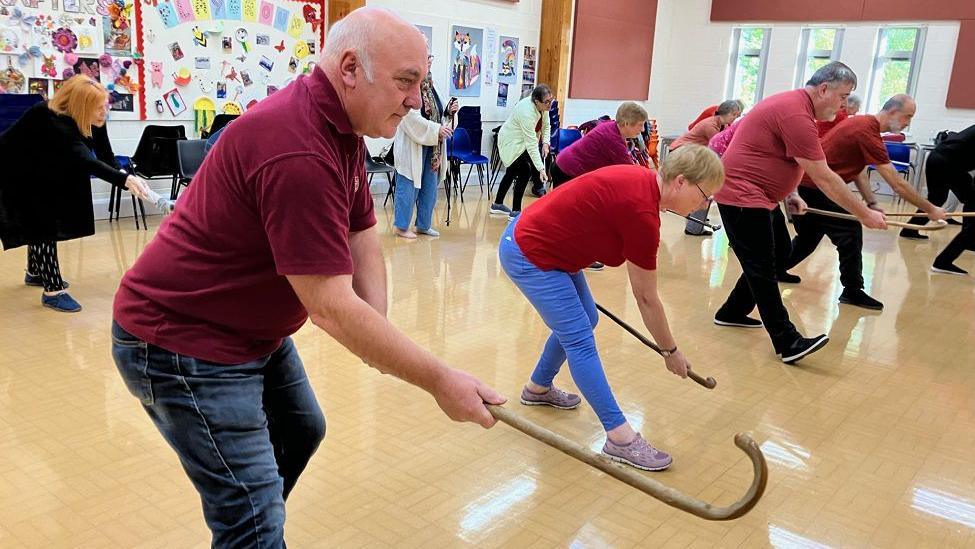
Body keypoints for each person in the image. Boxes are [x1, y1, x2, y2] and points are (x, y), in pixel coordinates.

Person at [110, 8, 505, 546]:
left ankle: (248, 521)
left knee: (298, 431)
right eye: (406, 82)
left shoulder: (341, 126)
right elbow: (331, 308)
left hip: (245, 332)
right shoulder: (296, 146)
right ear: (349, 68)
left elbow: (362, 229)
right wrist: (439, 379)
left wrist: (377, 329)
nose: (416, 100)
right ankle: (249, 524)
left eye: (421, 82)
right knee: (252, 518)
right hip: (182, 342)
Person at [499, 145, 724, 471]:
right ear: (680, 182)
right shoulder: (643, 213)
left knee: (586, 319)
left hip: (548, 246)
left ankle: (538, 387)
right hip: (530, 251)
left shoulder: (644, 184)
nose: (706, 205)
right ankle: (620, 438)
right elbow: (646, 298)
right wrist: (670, 350)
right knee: (578, 338)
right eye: (705, 195)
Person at [712, 61, 886, 364]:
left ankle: (733, 311)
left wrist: (789, 193)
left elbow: (783, 157)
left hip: (760, 197)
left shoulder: (799, 108)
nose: (845, 105)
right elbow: (824, 177)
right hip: (741, 195)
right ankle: (786, 341)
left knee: (778, 254)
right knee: (763, 266)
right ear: (823, 89)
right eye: (843, 96)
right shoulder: (796, 112)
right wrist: (864, 213)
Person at [0, 75, 150, 313]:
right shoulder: (49, 117)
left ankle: (34, 272)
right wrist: (124, 180)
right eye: (98, 108)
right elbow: (85, 160)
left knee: (42, 217)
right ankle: (53, 291)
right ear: (80, 107)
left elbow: (104, 155)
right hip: (16, 168)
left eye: (105, 106)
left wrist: (124, 172)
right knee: (42, 222)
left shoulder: (93, 116)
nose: (104, 112)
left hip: (48, 167)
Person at [782, 95, 946, 309]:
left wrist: (871, 203)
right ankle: (853, 290)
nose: (908, 123)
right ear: (893, 112)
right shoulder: (865, 130)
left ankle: (776, 269)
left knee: (809, 236)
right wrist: (930, 209)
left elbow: (858, 171)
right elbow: (897, 184)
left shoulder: (863, 126)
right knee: (850, 230)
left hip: (809, 184)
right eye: (908, 116)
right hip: (816, 186)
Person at [391, 54, 457, 239]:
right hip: (413, 144)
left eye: (430, 58)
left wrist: (450, 112)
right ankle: (402, 226)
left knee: (429, 185)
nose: (429, 61)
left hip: (433, 146)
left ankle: (423, 225)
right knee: (408, 185)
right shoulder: (407, 84)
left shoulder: (431, 84)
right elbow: (408, 116)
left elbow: (440, 113)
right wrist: (437, 129)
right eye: (425, 57)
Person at [902, 123, 975, 274]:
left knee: (937, 199)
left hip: (940, 159)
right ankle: (945, 260)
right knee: (972, 202)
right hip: (948, 163)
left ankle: (909, 230)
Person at [671, 100, 742, 236]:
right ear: (730, 113)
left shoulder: (718, 123)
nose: (735, 119)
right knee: (704, 185)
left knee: (702, 186)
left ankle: (695, 222)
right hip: (682, 152)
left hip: (688, 152)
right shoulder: (711, 126)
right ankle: (694, 224)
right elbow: (720, 147)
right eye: (735, 116)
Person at [490, 85, 552, 220]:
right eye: (546, 102)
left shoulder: (544, 106)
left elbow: (547, 126)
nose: (549, 104)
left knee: (511, 171)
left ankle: (497, 205)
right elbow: (531, 145)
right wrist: (541, 169)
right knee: (525, 170)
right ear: (537, 101)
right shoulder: (526, 112)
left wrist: (546, 143)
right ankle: (515, 212)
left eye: (551, 100)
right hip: (510, 142)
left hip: (521, 141)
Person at [550, 101, 648, 187]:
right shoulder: (614, 141)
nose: (643, 129)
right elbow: (631, 173)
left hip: (564, 164)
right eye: (640, 125)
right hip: (566, 170)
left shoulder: (611, 126)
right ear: (626, 124)